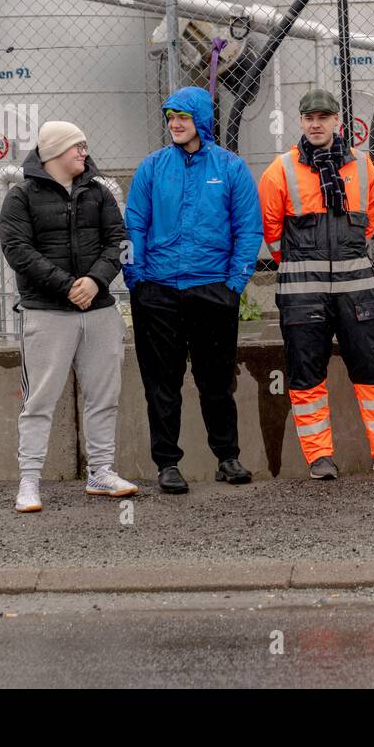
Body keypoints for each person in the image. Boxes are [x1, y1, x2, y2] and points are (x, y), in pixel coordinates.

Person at [257, 88, 374, 479]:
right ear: (300, 122)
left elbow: (368, 225)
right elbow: (271, 235)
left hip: (358, 293)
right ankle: (320, 458)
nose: (316, 124)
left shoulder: (364, 168)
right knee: (306, 376)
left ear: (338, 122)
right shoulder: (279, 171)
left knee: (372, 369)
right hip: (303, 297)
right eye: (309, 118)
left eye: (324, 117)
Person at [124, 86, 263, 494]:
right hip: (158, 292)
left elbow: (248, 229)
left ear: (201, 119)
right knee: (162, 383)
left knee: (216, 380)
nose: (175, 124)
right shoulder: (151, 168)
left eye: (183, 117)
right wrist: (137, 280)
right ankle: (167, 463)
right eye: (170, 118)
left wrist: (234, 284)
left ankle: (227, 457)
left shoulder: (231, 168)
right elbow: (134, 226)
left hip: (212, 291)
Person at [0, 121, 135, 513]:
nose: (84, 153)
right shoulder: (20, 197)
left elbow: (120, 242)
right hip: (46, 313)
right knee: (38, 399)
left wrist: (95, 281)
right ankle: (29, 482)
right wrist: (67, 286)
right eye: (77, 146)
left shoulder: (100, 194)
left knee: (103, 396)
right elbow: (18, 251)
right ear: (55, 152)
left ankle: (101, 471)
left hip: (100, 311)